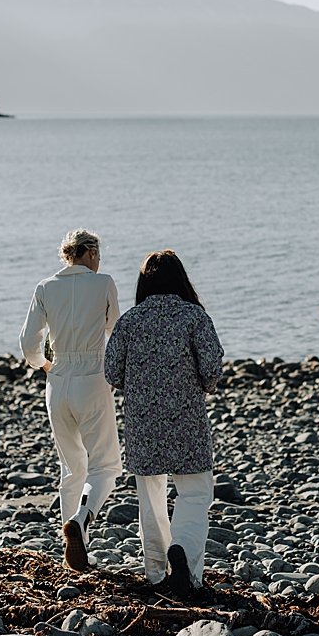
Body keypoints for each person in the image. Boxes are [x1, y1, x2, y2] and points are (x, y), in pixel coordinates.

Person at [103, 249, 223, 601]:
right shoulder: (194, 317)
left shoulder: (130, 320)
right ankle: (184, 554)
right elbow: (212, 370)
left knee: (150, 496)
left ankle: (156, 572)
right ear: (181, 280)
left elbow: (111, 372)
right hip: (186, 419)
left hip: (143, 423)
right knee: (195, 493)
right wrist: (199, 385)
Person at [19, 228, 122, 572]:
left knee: (72, 467)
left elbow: (28, 342)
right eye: (98, 255)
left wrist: (43, 364)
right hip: (92, 377)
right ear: (90, 253)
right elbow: (116, 332)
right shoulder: (103, 283)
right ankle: (81, 518)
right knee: (105, 466)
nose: (99, 261)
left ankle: (72, 550)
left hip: (58, 379)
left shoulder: (46, 287)